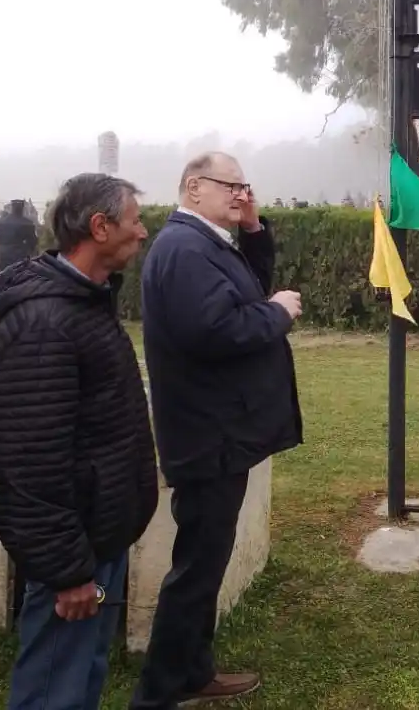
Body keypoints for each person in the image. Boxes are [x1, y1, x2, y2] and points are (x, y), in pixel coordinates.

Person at [0, 173, 158, 710]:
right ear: (99, 228)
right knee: (54, 684)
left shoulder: (85, 304)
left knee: (81, 675)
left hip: (99, 538)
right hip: (74, 554)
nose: (143, 233)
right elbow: (29, 461)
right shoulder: (44, 325)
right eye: (133, 220)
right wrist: (67, 571)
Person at [131, 152, 304, 709]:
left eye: (244, 185)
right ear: (193, 187)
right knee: (197, 569)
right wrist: (278, 313)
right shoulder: (183, 248)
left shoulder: (206, 242)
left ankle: (194, 670)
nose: (239, 193)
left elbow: (246, 288)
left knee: (207, 559)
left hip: (219, 428)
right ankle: (158, 693)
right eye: (229, 185)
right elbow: (216, 329)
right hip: (207, 432)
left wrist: (253, 229)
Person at [0, 199, 38, 274]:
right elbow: (32, 241)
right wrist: (29, 250)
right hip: (20, 253)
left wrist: (0, 248)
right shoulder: (28, 223)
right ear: (22, 208)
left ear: (12, 208)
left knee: (3, 274)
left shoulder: (1, 222)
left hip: (4, 252)